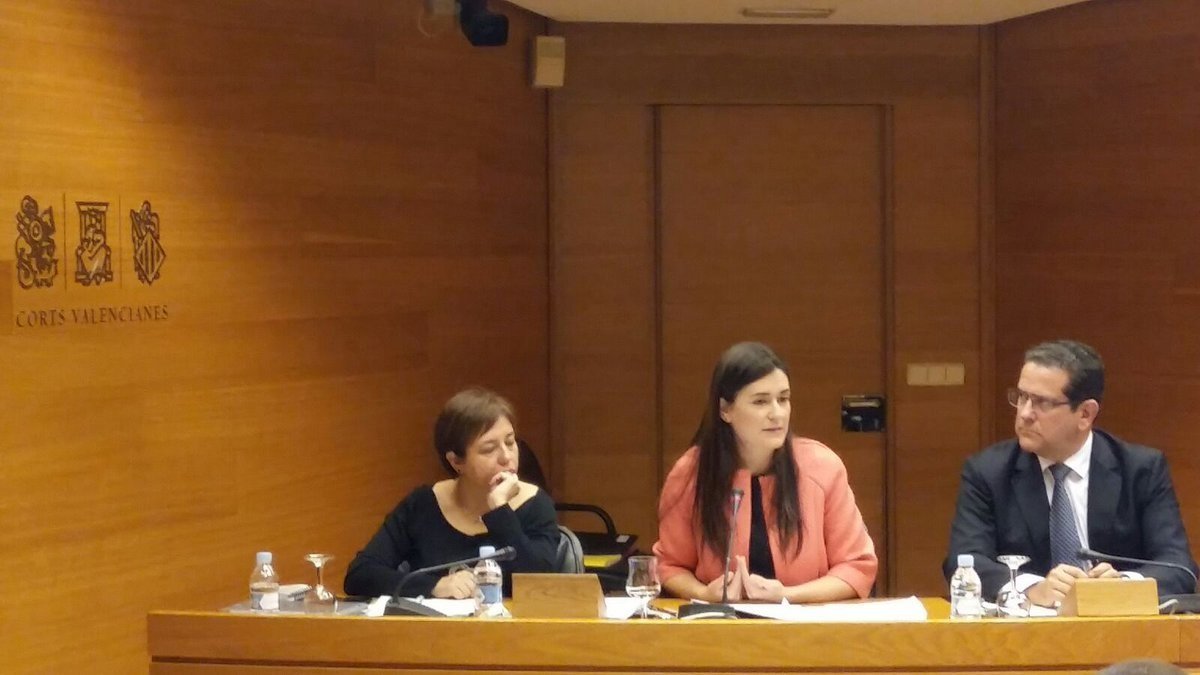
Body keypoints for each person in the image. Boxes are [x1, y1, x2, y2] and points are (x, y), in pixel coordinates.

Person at [944, 340, 1197, 606]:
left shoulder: (1140, 469)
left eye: (1042, 402)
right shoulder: (988, 472)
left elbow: (1179, 567)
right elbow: (965, 561)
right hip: (1028, 626)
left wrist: (1122, 585)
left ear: (1085, 414)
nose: (1025, 413)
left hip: (1115, 624)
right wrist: (1031, 588)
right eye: (1022, 397)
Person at [653, 342, 878, 603]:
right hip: (720, 623)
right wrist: (703, 594)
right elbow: (670, 565)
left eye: (783, 399)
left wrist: (786, 596)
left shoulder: (823, 467)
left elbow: (856, 567)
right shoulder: (691, 473)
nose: (777, 414)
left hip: (804, 623)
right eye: (760, 401)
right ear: (725, 410)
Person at [344, 388, 559, 599]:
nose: (506, 457)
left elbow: (540, 584)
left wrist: (500, 510)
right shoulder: (423, 504)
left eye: (510, 443)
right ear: (456, 461)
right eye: (489, 449)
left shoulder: (536, 504)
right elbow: (361, 574)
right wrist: (434, 586)